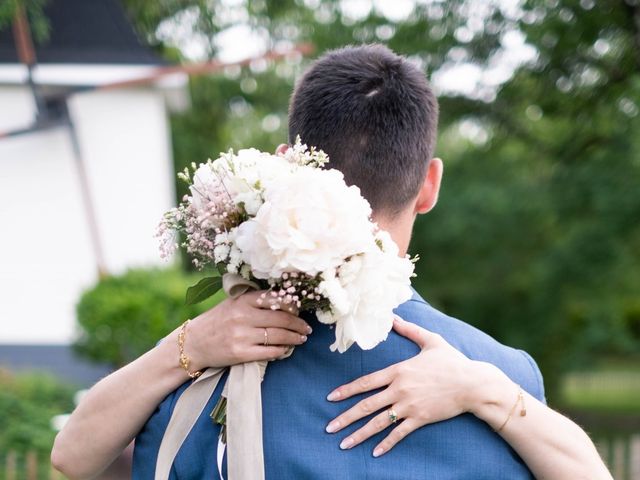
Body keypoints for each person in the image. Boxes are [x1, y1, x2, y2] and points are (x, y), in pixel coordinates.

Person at [51, 44, 611, 479]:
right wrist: (489, 392)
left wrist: (188, 348)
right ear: (429, 184)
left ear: (286, 165)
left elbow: (72, 457)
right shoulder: (505, 378)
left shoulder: (198, 372)